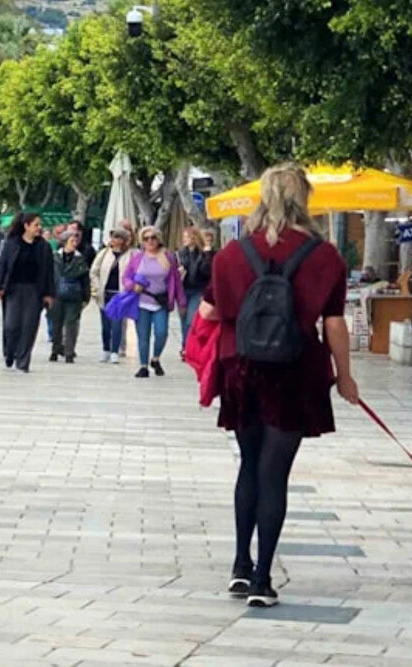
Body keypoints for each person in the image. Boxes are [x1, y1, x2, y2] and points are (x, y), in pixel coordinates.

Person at [198, 163, 358, 608]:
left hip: (241, 368)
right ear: (304, 198)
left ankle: (239, 565)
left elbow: (209, 312)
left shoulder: (231, 255)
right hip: (295, 370)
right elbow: (334, 324)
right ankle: (263, 579)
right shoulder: (326, 257)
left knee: (248, 465)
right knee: (275, 473)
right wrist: (345, 376)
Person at [0, 213, 55, 373]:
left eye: (39, 225)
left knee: (29, 327)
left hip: (34, 291)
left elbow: (49, 272)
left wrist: (49, 294)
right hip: (13, 289)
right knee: (11, 325)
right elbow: (2, 266)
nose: (39, 228)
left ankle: (23, 362)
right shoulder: (11, 243)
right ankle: (10, 352)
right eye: (36, 225)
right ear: (26, 226)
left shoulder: (44, 247)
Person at [123, 226, 186, 378]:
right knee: (143, 335)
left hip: (160, 302)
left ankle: (155, 358)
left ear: (159, 239)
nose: (150, 241)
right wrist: (132, 285)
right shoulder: (137, 258)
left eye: (153, 238)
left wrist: (181, 302)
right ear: (142, 241)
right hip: (141, 301)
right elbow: (126, 277)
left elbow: (176, 281)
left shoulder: (168, 257)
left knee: (161, 332)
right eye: (146, 238)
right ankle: (143, 366)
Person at [90, 229, 134, 363]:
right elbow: (94, 271)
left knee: (117, 324)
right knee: (105, 324)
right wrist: (97, 286)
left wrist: (129, 288)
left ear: (123, 240)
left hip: (120, 294)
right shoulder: (104, 253)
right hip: (105, 293)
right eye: (113, 237)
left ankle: (115, 351)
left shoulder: (130, 255)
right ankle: (106, 349)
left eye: (118, 238)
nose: (115, 240)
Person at [50, 231, 90, 363]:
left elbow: (85, 279)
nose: (74, 244)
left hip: (74, 295)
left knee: (71, 323)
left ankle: (69, 352)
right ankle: (55, 349)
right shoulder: (55, 257)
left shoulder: (80, 259)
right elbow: (49, 275)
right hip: (56, 294)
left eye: (75, 241)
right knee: (56, 323)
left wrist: (86, 297)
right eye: (71, 241)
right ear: (64, 242)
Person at [177, 226, 213, 354]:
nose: (184, 239)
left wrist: (207, 254)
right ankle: (185, 346)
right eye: (184, 237)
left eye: (187, 237)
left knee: (190, 320)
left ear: (194, 238)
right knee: (183, 319)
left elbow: (207, 271)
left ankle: (189, 347)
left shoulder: (203, 254)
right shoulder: (181, 253)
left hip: (198, 289)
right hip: (183, 289)